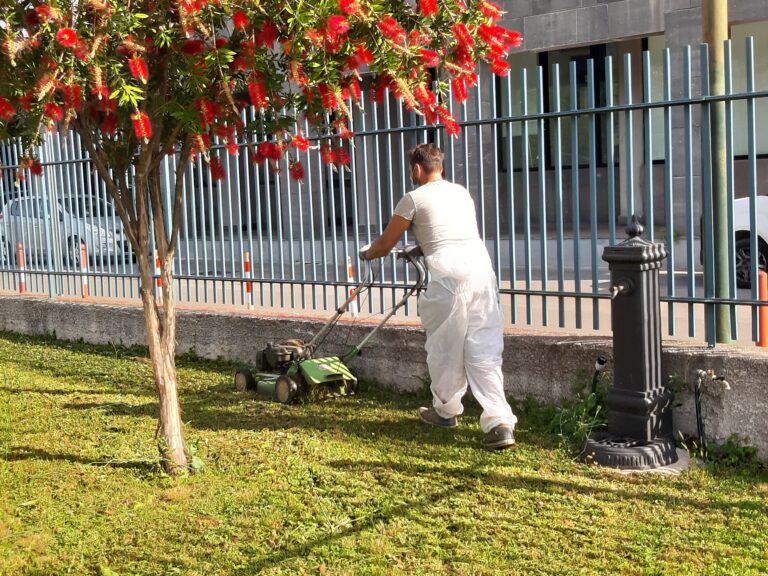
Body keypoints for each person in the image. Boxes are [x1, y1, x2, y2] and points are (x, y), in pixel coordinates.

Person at [361, 143, 517, 450]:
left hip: (449, 281)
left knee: (445, 349)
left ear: (417, 169)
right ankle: (500, 423)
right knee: (483, 350)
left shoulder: (413, 199)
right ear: (440, 167)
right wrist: (420, 248)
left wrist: (367, 253)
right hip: (482, 274)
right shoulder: (461, 193)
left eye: (412, 170)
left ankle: (445, 411)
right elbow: (450, 233)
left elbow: (384, 244)